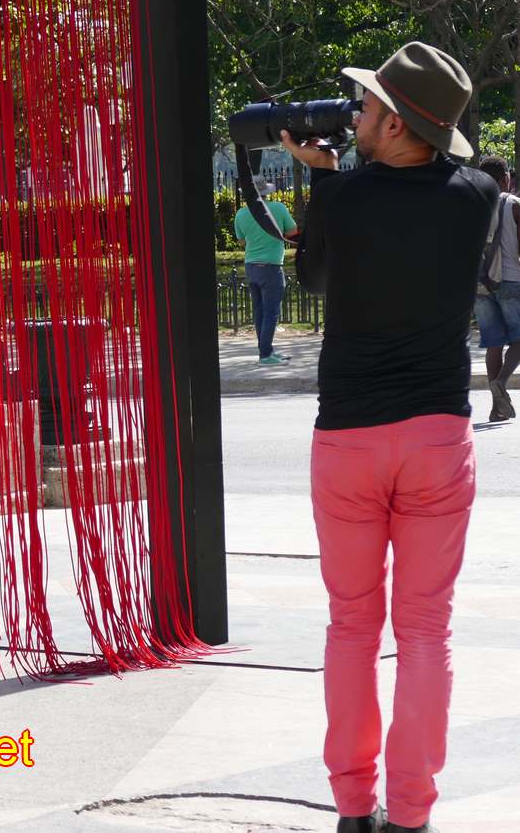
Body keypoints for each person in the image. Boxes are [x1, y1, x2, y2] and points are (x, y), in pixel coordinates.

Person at [281, 42, 498, 833]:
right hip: (436, 435)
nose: (355, 115)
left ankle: (352, 808)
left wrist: (319, 176)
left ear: (399, 123)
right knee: (425, 630)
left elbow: (314, 280)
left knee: (350, 627)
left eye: (368, 106)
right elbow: (427, 194)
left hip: (347, 439)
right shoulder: (477, 193)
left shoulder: (343, 196)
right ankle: (410, 815)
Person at [472, 156, 520, 421]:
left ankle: (497, 408)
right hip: (511, 280)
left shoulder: (473, 206)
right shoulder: (513, 204)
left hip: (481, 284)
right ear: (505, 180)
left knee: (494, 344)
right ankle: (501, 382)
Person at [234, 178, 299, 364]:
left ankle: (266, 350)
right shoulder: (278, 208)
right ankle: (265, 355)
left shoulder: (241, 213)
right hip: (271, 266)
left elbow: (241, 241)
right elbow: (293, 231)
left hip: (251, 266)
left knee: (259, 311)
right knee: (271, 312)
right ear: (266, 192)